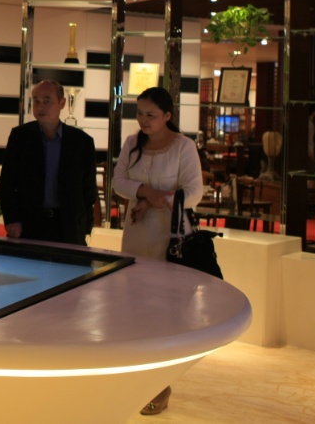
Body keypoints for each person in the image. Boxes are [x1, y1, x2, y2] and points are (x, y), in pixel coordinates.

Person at [111, 86, 204, 416]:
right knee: (135, 311)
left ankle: (161, 386)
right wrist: (145, 192)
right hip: (136, 234)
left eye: (151, 114)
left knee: (165, 315)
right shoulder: (131, 143)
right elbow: (118, 182)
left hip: (170, 236)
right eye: (139, 113)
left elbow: (194, 192)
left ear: (167, 116)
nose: (143, 120)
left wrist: (153, 199)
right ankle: (139, 381)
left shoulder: (183, 146)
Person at [0, 79, 97, 245]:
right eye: (36, 101)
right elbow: (7, 183)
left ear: (62, 103)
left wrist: (85, 226)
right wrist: (11, 219)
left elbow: (88, 189)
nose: (40, 106)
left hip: (68, 225)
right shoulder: (20, 137)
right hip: (28, 223)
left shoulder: (82, 142)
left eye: (47, 101)